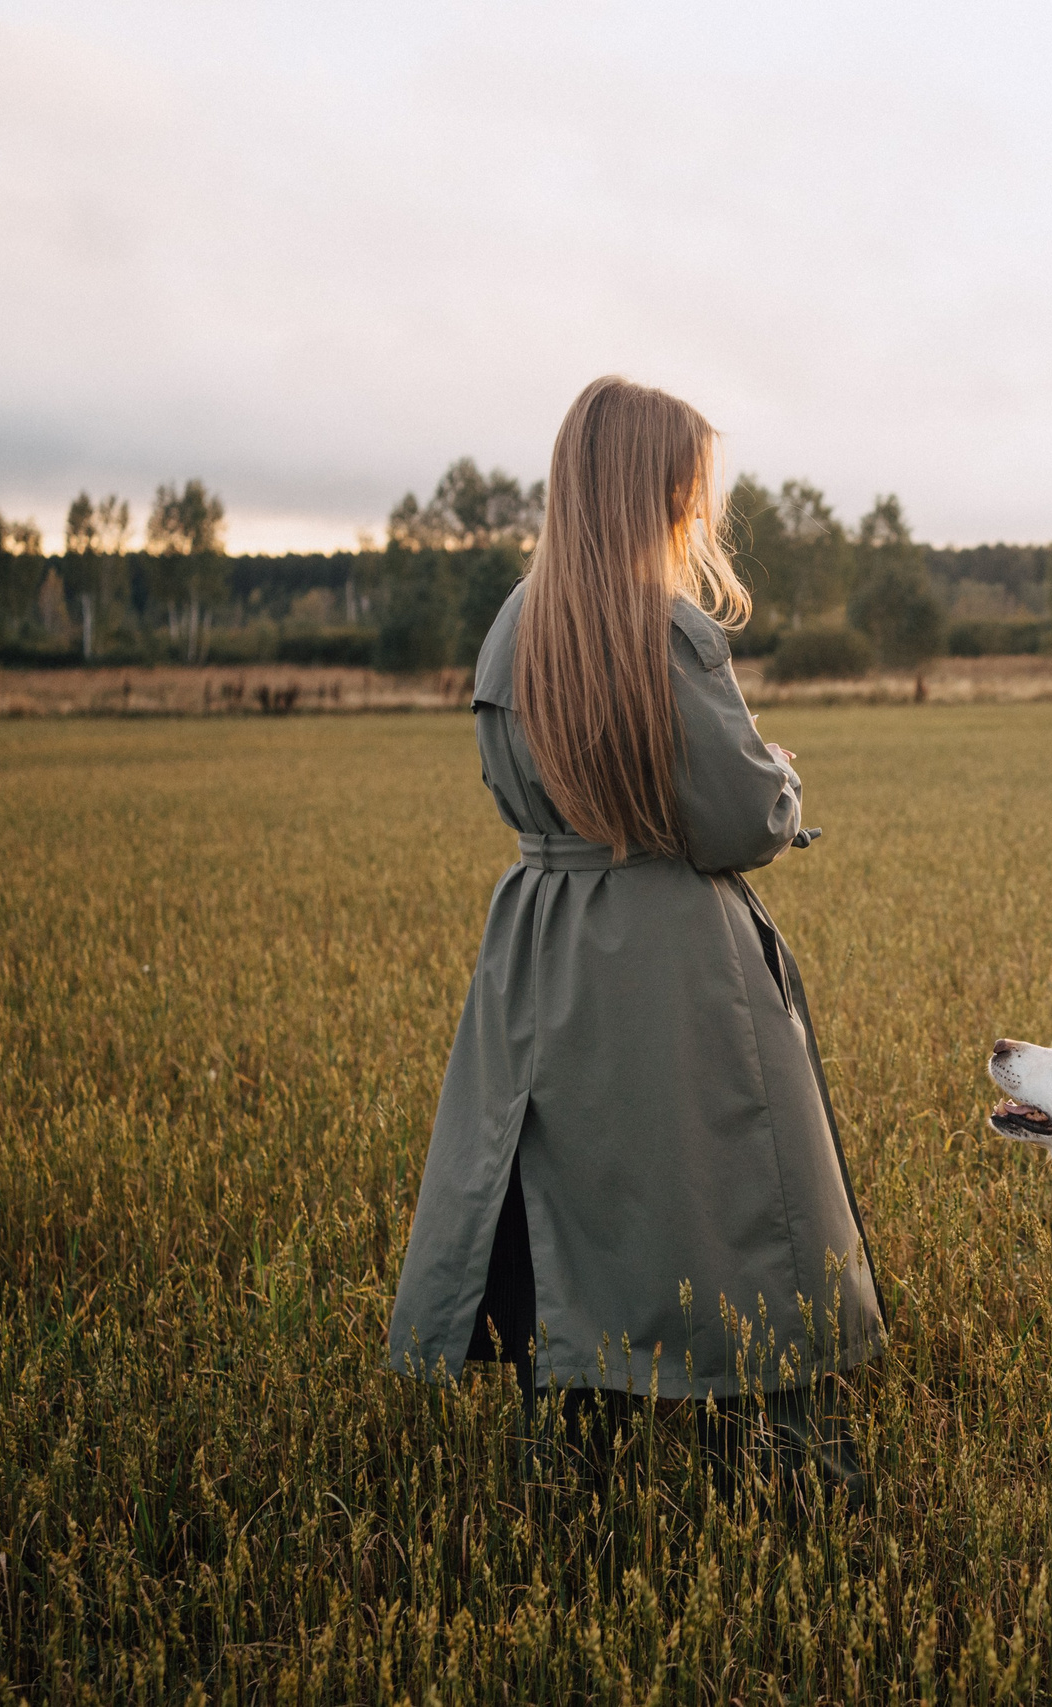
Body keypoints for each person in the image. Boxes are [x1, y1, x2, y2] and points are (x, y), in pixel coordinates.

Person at [384, 374, 883, 1507]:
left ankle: (566, 1478)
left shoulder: (515, 621)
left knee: (571, 1199)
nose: (699, 508)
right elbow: (739, 818)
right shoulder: (664, 627)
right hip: (667, 954)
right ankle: (779, 1477)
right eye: (691, 485)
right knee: (731, 1209)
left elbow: (513, 785)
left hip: (540, 943)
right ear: (653, 487)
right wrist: (786, 784)